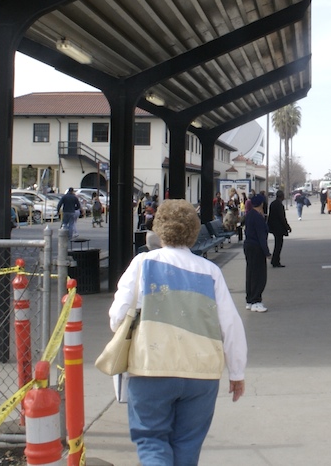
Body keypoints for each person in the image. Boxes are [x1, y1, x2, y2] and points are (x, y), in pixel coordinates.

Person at [107, 199, 247, 466]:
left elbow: (117, 318)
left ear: (159, 229)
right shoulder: (211, 272)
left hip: (151, 369)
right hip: (201, 374)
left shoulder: (142, 264)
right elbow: (230, 325)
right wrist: (237, 373)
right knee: (187, 444)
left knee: (151, 440)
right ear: (194, 232)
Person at [243, 194, 270, 312]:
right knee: (259, 275)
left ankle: (249, 300)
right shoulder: (258, 218)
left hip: (248, 246)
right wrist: (267, 252)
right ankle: (256, 301)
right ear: (262, 204)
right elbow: (261, 236)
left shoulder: (249, 215)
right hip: (256, 248)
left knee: (250, 273)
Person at [267, 190, 291, 268]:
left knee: (277, 244)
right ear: (281, 196)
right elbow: (282, 217)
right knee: (278, 245)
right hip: (279, 228)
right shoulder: (279, 205)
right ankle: (275, 261)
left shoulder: (273, 204)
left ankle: (275, 260)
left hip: (274, 227)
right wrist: (287, 227)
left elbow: (270, 216)